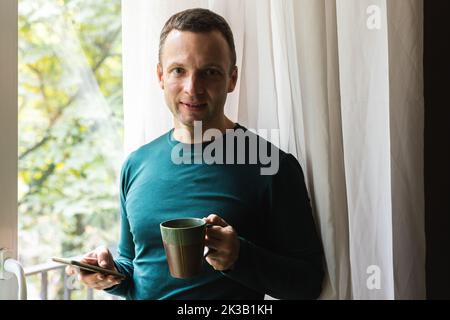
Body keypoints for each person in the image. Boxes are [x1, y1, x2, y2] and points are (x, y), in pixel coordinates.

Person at [66, 8, 324, 300]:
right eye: (179, 71)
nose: (193, 88)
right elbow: (134, 271)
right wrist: (108, 274)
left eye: (210, 72)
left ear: (232, 79)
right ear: (160, 76)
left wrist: (239, 256)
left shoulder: (272, 166)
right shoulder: (136, 164)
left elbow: (308, 283)